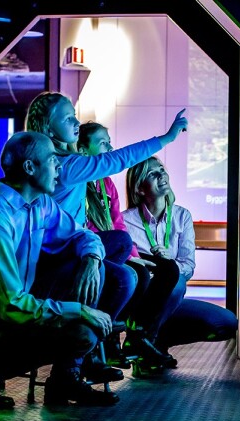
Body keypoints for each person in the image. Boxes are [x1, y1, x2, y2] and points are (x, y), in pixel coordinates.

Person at [0, 131, 119, 410]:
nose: (59, 166)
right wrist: (81, 311)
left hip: (10, 309)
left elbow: (83, 235)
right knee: (81, 333)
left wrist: (91, 261)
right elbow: (11, 305)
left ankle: (63, 379)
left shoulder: (41, 204)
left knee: (93, 270)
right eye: (52, 159)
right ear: (29, 167)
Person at [24, 91, 188, 371]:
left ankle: (97, 349)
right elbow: (118, 160)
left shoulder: (68, 164)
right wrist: (166, 138)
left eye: (74, 115)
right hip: (58, 256)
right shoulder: (67, 165)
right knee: (124, 254)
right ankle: (88, 353)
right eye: (68, 118)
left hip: (70, 247)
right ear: (49, 128)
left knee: (126, 267)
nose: (75, 122)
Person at [77, 122, 179, 373]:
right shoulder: (77, 183)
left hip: (114, 247)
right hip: (90, 250)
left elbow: (117, 223)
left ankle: (137, 337)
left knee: (167, 268)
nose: (110, 147)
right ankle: (110, 341)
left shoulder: (106, 183)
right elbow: (83, 228)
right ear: (82, 150)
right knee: (139, 275)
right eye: (103, 142)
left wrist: (133, 256)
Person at [122, 156, 238, 366]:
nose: (161, 175)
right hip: (141, 304)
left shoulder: (182, 216)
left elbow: (188, 266)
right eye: (152, 173)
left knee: (227, 322)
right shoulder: (124, 221)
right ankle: (144, 339)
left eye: (161, 169)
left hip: (170, 301)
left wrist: (170, 264)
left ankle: (149, 341)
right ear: (139, 189)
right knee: (175, 281)